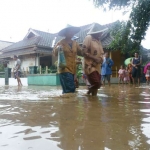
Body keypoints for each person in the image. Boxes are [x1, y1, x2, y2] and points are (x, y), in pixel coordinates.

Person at [53, 25, 82, 94]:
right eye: (70, 31)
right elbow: (54, 52)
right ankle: (68, 103)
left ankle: (66, 103)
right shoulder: (61, 42)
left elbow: (81, 52)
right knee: (70, 89)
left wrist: (86, 49)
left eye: (73, 32)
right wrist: (58, 48)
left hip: (73, 70)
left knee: (69, 90)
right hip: (64, 69)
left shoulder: (75, 43)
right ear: (65, 33)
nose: (72, 33)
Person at [82, 23, 108, 96]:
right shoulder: (88, 38)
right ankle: (87, 93)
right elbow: (83, 52)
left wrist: (101, 59)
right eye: (101, 32)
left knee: (96, 89)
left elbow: (102, 53)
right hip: (89, 65)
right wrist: (94, 58)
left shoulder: (98, 40)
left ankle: (93, 103)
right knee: (97, 83)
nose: (102, 33)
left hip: (98, 66)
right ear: (96, 32)